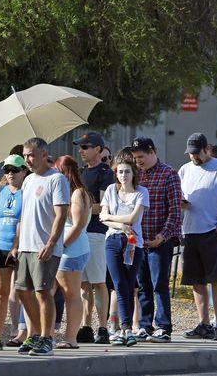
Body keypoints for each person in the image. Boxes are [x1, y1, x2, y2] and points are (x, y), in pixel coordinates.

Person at [13, 138, 70, 356]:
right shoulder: (27, 181)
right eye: (25, 155)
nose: (27, 159)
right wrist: (16, 246)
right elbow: (24, 215)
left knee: (43, 292)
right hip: (26, 247)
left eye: (31, 155)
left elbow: (61, 214)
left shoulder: (57, 179)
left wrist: (51, 243)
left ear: (44, 154)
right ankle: (35, 334)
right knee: (22, 291)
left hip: (44, 247)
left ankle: (48, 339)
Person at [179, 133, 217, 341]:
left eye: (196, 152)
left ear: (207, 149)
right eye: (190, 153)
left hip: (211, 231)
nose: (193, 156)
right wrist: (182, 204)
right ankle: (204, 323)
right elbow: (179, 199)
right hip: (191, 231)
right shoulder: (184, 170)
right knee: (196, 281)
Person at [132, 137, 182, 343]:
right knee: (142, 285)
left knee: (159, 284)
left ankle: (163, 327)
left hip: (161, 240)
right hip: (139, 240)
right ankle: (145, 326)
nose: (138, 162)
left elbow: (176, 211)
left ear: (152, 152)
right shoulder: (136, 175)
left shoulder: (168, 174)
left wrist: (162, 236)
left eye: (141, 157)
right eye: (135, 158)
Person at [100, 155, 149, 347]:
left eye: (127, 171)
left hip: (133, 243)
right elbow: (102, 217)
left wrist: (113, 218)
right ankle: (124, 328)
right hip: (113, 240)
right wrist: (119, 225)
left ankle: (127, 328)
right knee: (118, 283)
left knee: (129, 285)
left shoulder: (141, 192)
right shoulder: (111, 190)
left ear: (133, 173)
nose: (123, 175)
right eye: (120, 171)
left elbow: (132, 218)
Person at [0, 155, 27, 350]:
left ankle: (23, 333)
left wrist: (16, 246)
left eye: (14, 170)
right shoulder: (0, 192)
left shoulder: (28, 192)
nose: (10, 174)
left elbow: (24, 222)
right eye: (7, 170)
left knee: (23, 293)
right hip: (0, 248)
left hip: (21, 249)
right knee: (1, 294)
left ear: (24, 171)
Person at [73, 132, 112, 344]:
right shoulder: (79, 173)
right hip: (80, 232)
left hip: (96, 232)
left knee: (98, 282)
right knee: (84, 284)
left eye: (86, 146)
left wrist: (81, 209)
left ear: (98, 149)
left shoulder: (106, 173)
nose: (81, 150)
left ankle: (103, 328)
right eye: (80, 147)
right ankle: (86, 326)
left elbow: (104, 205)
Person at [52, 155, 92, 349]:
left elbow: (77, 226)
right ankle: (48, 335)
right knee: (49, 292)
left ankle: (70, 339)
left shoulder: (77, 193)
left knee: (71, 294)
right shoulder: (71, 192)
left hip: (71, 250)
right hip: (69, 249)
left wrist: (60, 246)